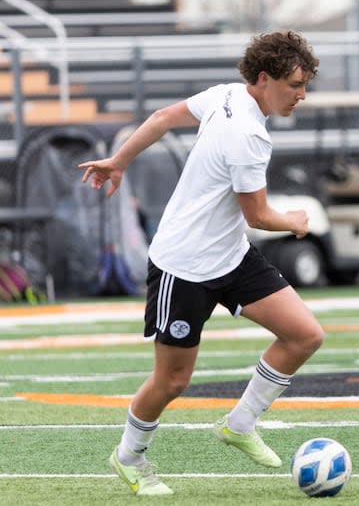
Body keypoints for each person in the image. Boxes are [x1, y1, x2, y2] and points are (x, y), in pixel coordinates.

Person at [79, 30, 324, 495]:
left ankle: (240, 423)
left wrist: (119, 160)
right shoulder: (248, 134)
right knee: (173, 380)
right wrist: (293, 221)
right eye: (295, 84)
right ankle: (128, 456)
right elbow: (258, 215)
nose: (302, 94)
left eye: (305, 84)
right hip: (184, 263)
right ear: (265, 78)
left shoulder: (229, 95)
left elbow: (162, 117)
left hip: (230, 255)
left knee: (304, 334)